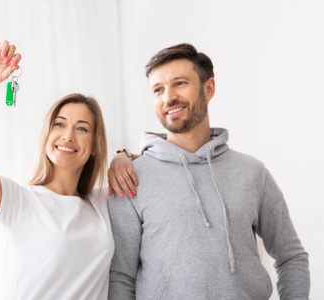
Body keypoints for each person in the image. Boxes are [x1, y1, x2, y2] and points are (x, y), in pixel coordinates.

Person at [107, 43, 310, 299]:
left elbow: (291, 255)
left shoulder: (252, 172)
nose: (168, 97)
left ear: (209, 88)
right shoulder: (130, 178)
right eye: (158, 89)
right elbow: (121, 276)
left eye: (180, 83)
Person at [0, 40, 115, 299]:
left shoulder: (103, 203)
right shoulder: (20, 200)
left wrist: (122, 156)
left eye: (82, 128)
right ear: (46, 136)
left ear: (95, 145)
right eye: (59, 124)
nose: (68, 136)